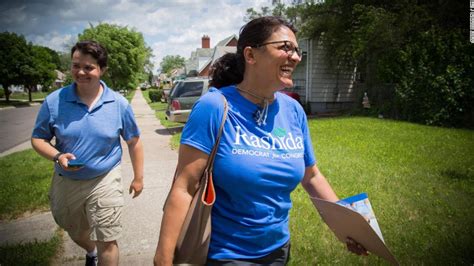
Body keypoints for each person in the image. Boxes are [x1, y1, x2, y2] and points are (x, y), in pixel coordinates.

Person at [153, 16, 366, 265]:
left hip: (278, 251)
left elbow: (312, 176)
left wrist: (348, 228)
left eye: (296, 50)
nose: (296, 56)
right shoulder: (214, 107)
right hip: (226, 255)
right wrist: (163, 258)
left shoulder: (293, 110)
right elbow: (184, 186)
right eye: (286, 47)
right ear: (251, 55)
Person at [31, 40, 144, 266]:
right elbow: (38, 138)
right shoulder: (55, 101)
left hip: (105, 178)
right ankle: (90, 251)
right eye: (75, 66)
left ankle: (98, 251)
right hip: (67, 179)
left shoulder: (118, 103)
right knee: (72, 227)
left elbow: (134, 141)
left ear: (102, 70)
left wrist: (138, 178)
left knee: (107, 238)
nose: (80, 72)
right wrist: (57, 156)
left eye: (89, 67)